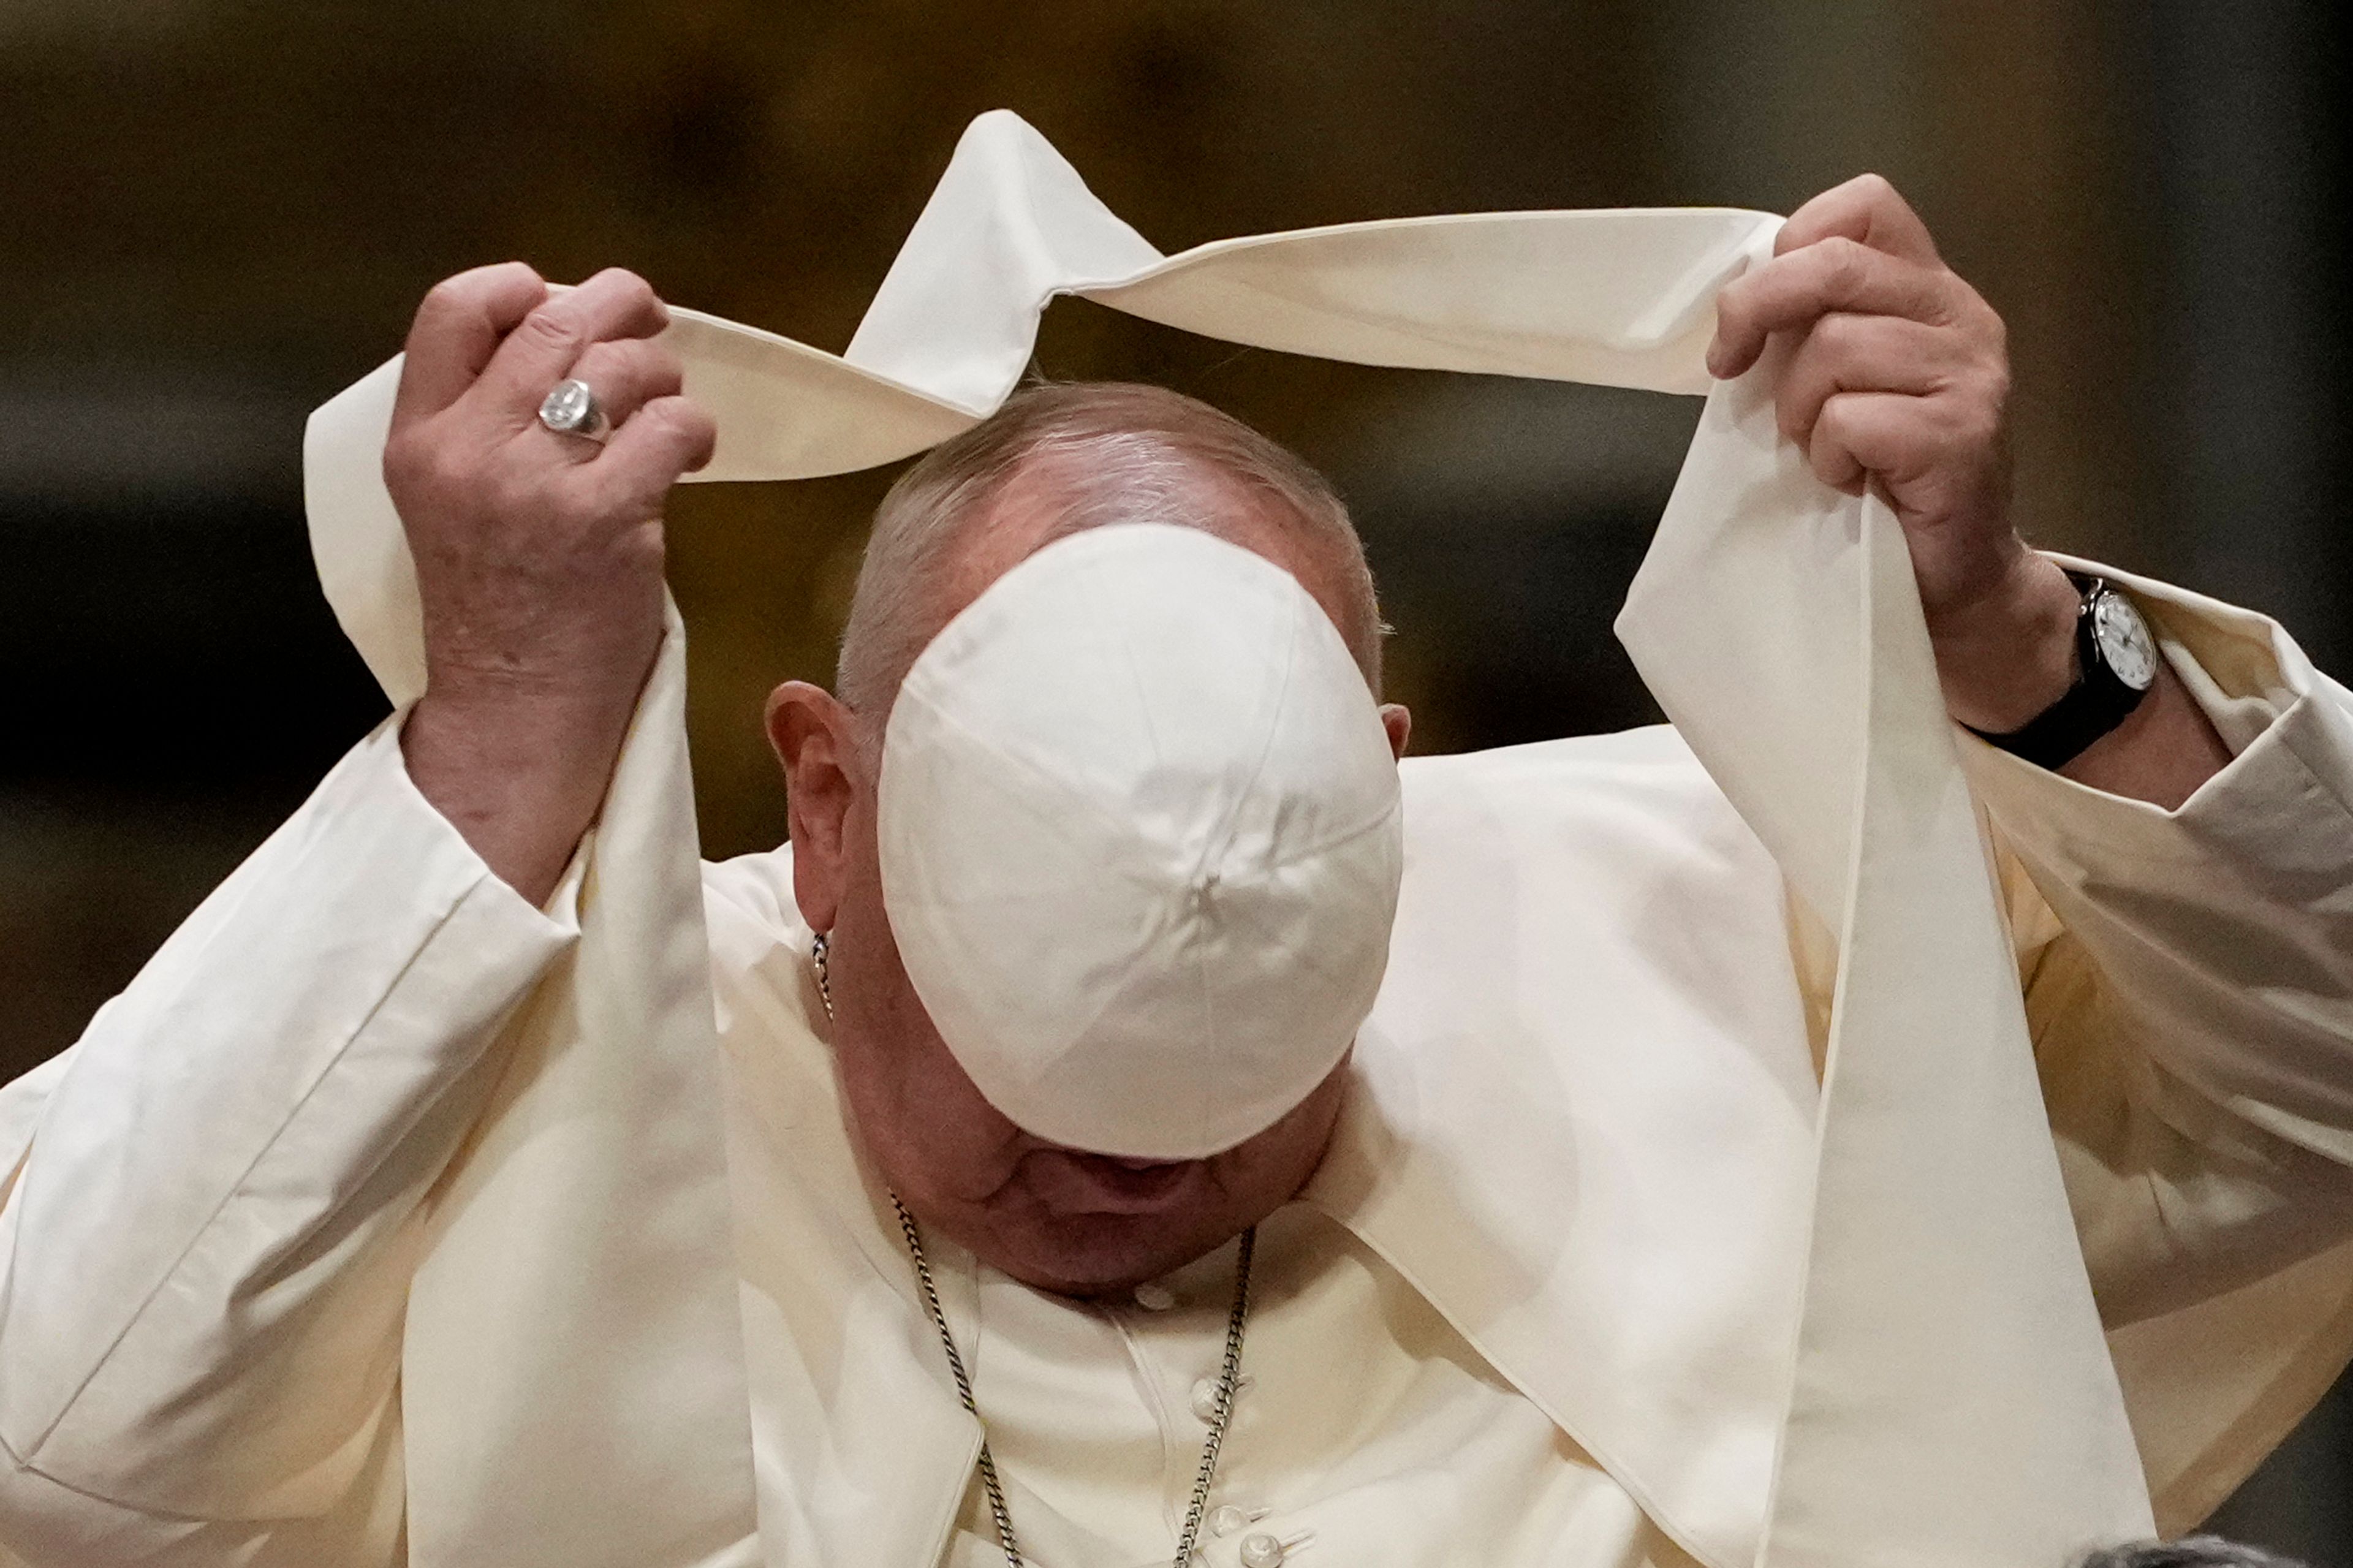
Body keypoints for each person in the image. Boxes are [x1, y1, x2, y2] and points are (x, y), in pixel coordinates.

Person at [0, 171, 2349, 1568]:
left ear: (1388, 794)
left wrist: (2022, 649)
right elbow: (50, 1445)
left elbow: (2309, 1124)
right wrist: (504, 728)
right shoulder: (524, 1053)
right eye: (1022, 1054)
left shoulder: (1684, 928)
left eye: (1229, 1062)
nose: (1108, 1163)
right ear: (829, 802)